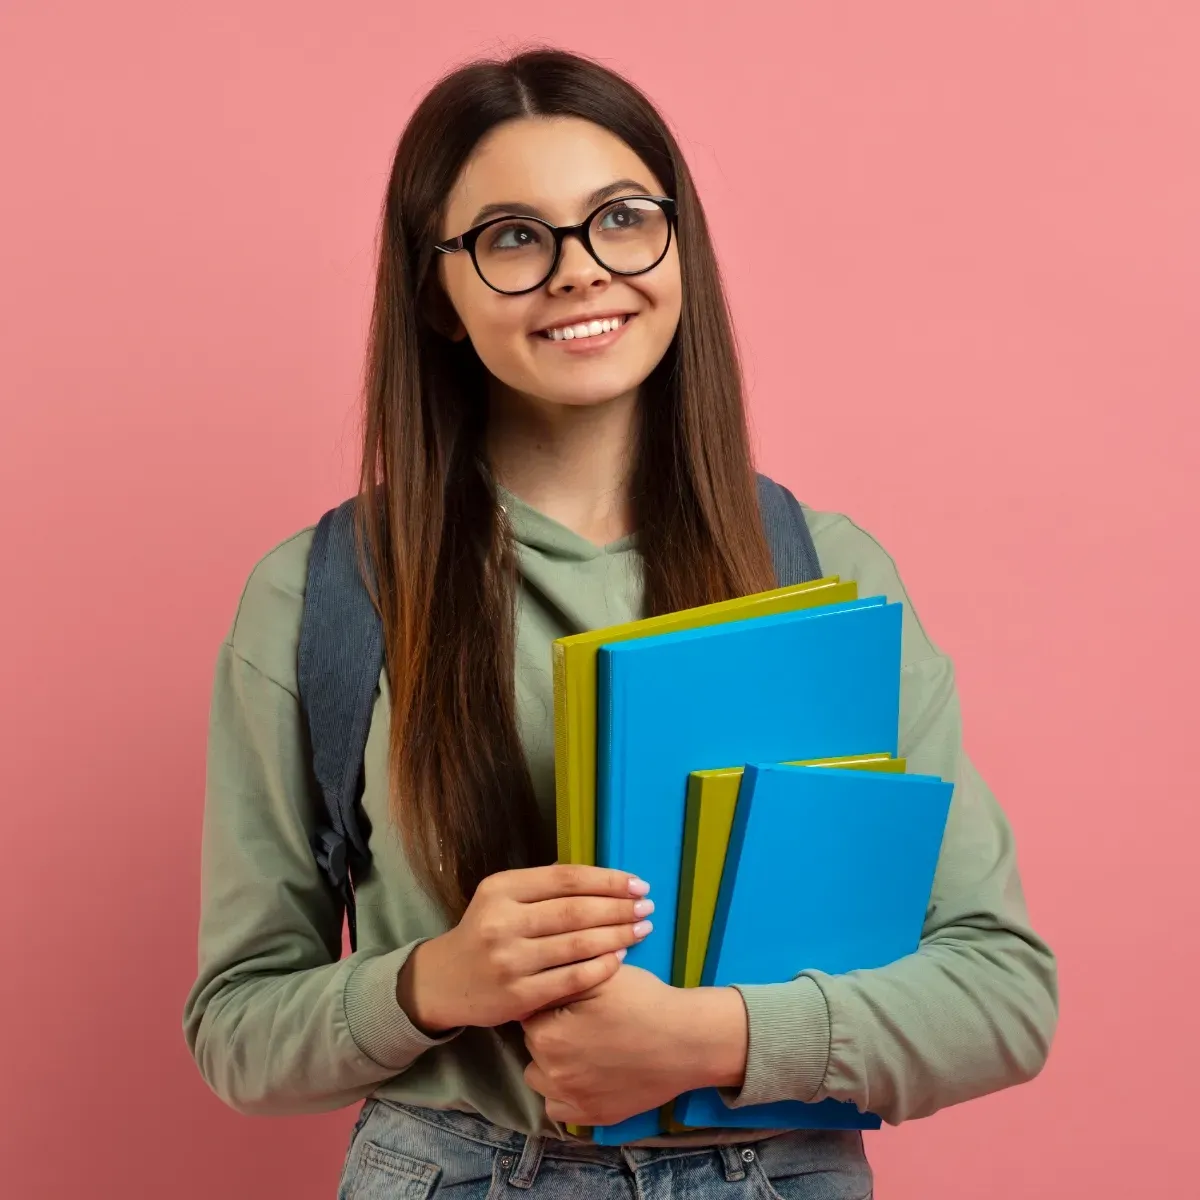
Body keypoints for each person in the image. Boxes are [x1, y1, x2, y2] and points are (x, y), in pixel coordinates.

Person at [183, 47, 1057, 1199]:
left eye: (622, 219)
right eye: (511, 237)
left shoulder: (828, 572)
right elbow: (236, 1031)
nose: (581, 272)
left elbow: (1002, 993)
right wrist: (431, 982)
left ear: (679, 243)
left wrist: (716, 1040)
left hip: (781, 1173)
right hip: (456, 1173)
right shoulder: (323, 594)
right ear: (435, 294)